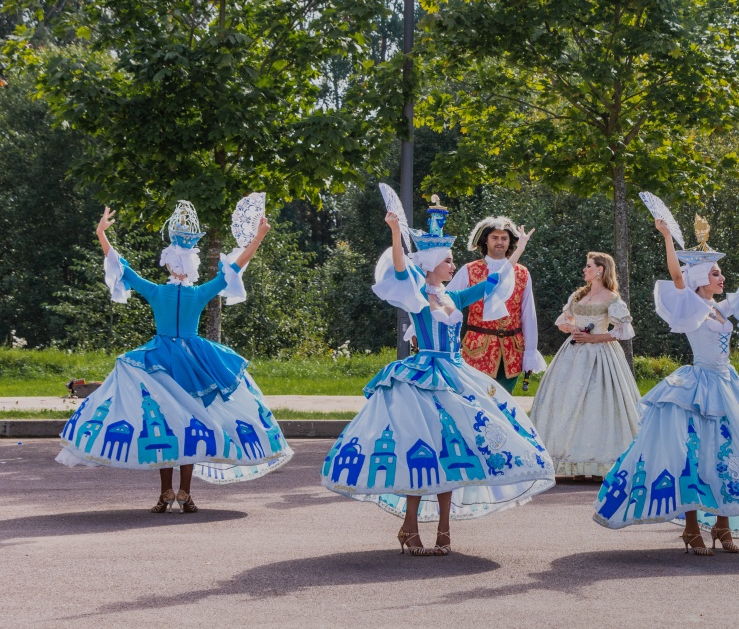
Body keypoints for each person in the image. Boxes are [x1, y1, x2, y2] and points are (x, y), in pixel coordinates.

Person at [592, 203, 739, 555]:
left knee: (732, 451)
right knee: (693, 456)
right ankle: (692, 529)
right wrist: (666, 239)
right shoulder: (690, 304)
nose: (722, 279)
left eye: (722, 274)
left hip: (728, 385)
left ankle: (723, 525)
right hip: (697, 386)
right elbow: (677, 276)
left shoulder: (726, 305)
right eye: (717, 274)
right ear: (702, 278)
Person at [322, 191, 555, 556]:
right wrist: (396, 232)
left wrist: (519, 248)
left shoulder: (454, 297)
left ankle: (444, 529)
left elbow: (495, 281)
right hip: (423, 378)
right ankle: (411, 528)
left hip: (456, 375)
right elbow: (401, 267)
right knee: (424, 453)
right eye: (447, 261)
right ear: (432, 264)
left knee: (452, 451)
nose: (452, 265)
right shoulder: (417, 292)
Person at [57, 200, 293, 513]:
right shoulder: (198, 293)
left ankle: (167, 492)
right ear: (191, 266)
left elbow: (121, 267)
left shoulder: (157, 291)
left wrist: (102, 233)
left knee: (168, 427)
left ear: (169, 264)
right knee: (190, 426)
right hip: (195, 362)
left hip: (160, 360)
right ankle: (184, 493)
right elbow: (234, 269)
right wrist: (258, 237)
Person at [529, 252, 641, 478]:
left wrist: (594, 338)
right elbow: (562, 321)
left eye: (588, 266)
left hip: (601, 357)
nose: (584, 269)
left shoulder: (612, 298)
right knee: (566, 402)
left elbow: (624, 330)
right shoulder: (579, 295)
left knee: (598, 403)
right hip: (572, 355)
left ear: (600, 270)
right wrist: (573, 329)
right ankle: (572, 465)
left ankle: (599, 464)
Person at [446, 216, 546, 393]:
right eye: (495, 237)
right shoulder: (469, 270)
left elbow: (528, 314)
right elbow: (448, 302)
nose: (500, 242)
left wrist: (530, 351)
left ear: (510, 242)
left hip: (512, 350)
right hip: (477, 349)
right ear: (485, 240)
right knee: (478, 402)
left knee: (505, 405)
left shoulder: (522, 273)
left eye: (504, 238)